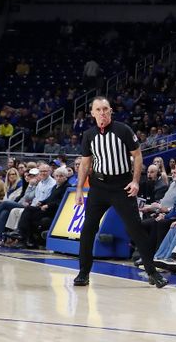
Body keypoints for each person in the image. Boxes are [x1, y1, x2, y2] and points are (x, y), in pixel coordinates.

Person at [73, 96, 168, 288]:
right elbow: (85, 163)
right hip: (98, 186)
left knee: (136, 229)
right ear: (92, 113)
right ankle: (83, 273)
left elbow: (138, 155)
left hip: (121, 186)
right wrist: (79, 190)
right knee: (88, 229)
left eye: (105, 109)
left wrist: (135, 181)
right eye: (98, 109)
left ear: (110, 111)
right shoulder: (89, 135)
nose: (102, 113)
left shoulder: (122, 130)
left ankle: (152, 272)